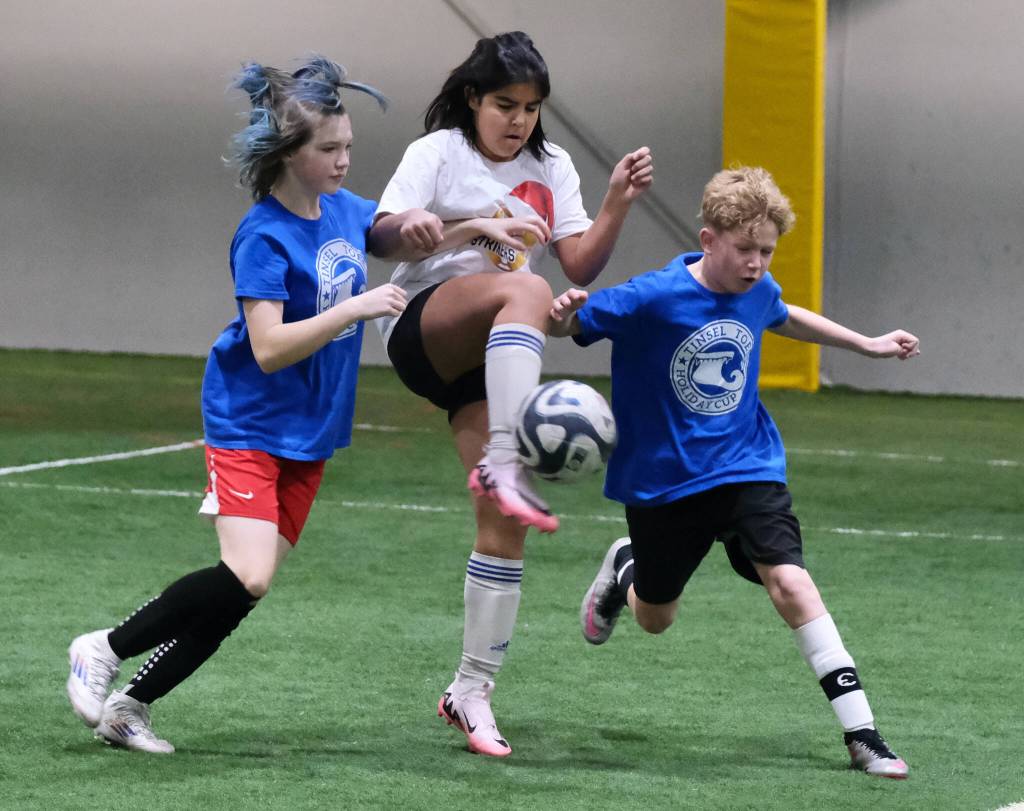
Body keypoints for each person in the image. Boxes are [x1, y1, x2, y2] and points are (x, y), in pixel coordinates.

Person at [65, 56, 405, 754]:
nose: (344, 160)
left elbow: (397, 230)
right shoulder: (262, 234)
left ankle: (132, 706)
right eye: (329, 149)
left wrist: (472, 226)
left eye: (348, 148)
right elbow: (272, 345)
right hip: (249, 418)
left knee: (243, 588)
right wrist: (361, 308)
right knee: (248, 572)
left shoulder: (345, 209)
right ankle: (101, 645)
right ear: (288, 154)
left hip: (312, 430)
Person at [548, 166, 918, 778]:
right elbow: (570, 324)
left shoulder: (758, 289)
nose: (756, 263)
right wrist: (562, 315)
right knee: (654, 617)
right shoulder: (651, 296)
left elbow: (784, 313)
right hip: (663, 484)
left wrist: (867, 344)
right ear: (709, 238)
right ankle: (626, 567)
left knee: (792, 584)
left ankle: (864, 735)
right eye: (745, 249)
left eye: (767, 251)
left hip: (747, 466)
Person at [367, 31, 653, 757]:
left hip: (494, 355)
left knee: (506, 522)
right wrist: (447, 226)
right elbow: (382, 238)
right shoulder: (437, 152)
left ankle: (471, 690)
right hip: (423, 327)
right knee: (527, 283)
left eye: (530, 107)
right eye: (504, 104)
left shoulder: (551, 165)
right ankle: (502, 452)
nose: (518, 119)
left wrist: (617, 201)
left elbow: (580, 256)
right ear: (472, 97)